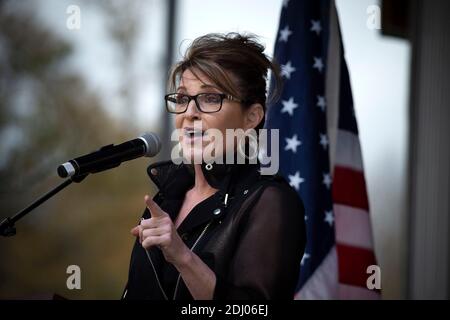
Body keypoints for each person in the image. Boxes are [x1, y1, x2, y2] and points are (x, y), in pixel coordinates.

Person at [122, 33, 306, 300]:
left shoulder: (271, 201)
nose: (189, 113)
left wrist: (183, 257)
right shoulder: (166, 196)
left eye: (210, 98)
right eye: (183, 99)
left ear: (252, 117)